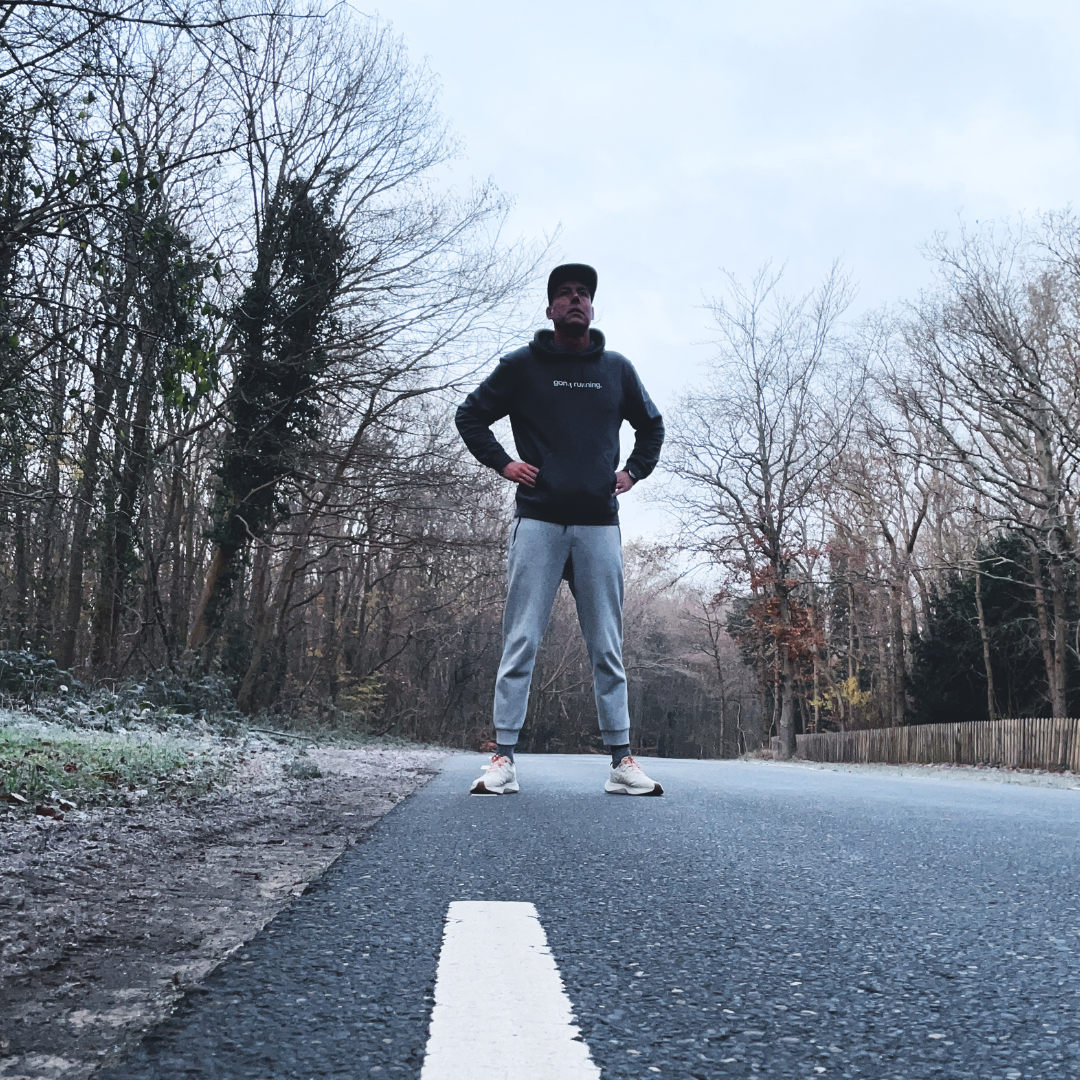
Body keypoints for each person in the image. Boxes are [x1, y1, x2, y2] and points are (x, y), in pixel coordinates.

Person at [455, 263, 665, 796]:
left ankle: (622, 761)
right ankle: (502, 759)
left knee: (607, 644)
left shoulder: (616, 368)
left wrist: (631, 472)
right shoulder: (522, 367)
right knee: (521, 637)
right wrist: (505, 464)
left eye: (584, 294)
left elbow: (652, 425)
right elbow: (470, 416)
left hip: (598, 524)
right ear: (550, 309)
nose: (575, 300)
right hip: (538, 521)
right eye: (565, 294)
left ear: (592, 308)